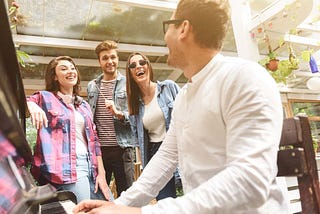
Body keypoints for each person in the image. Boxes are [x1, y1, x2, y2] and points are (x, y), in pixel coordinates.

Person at [73, 0, 288, 213]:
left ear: (183, 28)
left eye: (168, 27)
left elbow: (249, 182)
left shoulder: (243, 77)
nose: (165, 38)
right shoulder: (185, 96)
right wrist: (118, 205)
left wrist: (141, 212)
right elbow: (166, 158)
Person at [27, 56, 112, 203]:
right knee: (83, 209)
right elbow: (24, 102)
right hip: (68, 168)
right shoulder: (46, 98)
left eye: (73, 68)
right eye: (64, 69)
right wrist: (32, 106)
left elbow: (95, 141)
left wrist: (102, 174)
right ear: (54, 76)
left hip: (92, 167)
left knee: (111, 207)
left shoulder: (83, 105)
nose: (70, 71)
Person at [126, 52, 180, 200]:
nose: (138, 66)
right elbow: (138, 140)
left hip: (179, 146)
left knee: (192, 196)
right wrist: (144, 167)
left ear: (148, 66)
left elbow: (188, 114)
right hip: (155, 154)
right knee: (165, 201)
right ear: (130, 73)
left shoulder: (169, 87)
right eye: (133, 65)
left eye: (142, 62)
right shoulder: (134, 106)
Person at [87, 40, 136, 197]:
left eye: (113, 57)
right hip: (100, 152)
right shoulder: (92, 86)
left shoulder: (129, 83)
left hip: (123, 148)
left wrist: (119, 113)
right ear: (99, 61)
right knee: (100, 194)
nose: (110, 61)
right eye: (105, 58)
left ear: (118, 59)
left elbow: (136, 116)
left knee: (126, 195)